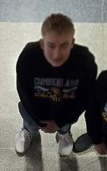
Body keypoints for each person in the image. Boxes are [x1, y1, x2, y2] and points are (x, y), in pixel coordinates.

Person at [14, 12, 97, 157]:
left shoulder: (85, 61)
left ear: (72, 43)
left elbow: (84, 98)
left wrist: (59, 122)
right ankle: (27, 130)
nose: (57, 54)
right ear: (42, 43)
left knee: (65, 126)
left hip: (65, 110)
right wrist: (39, 121)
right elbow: (23, 91)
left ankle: (64, 133)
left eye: (64, 45)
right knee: (30, 124)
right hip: (34, 110)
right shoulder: (29, 56)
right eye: (51, 46)